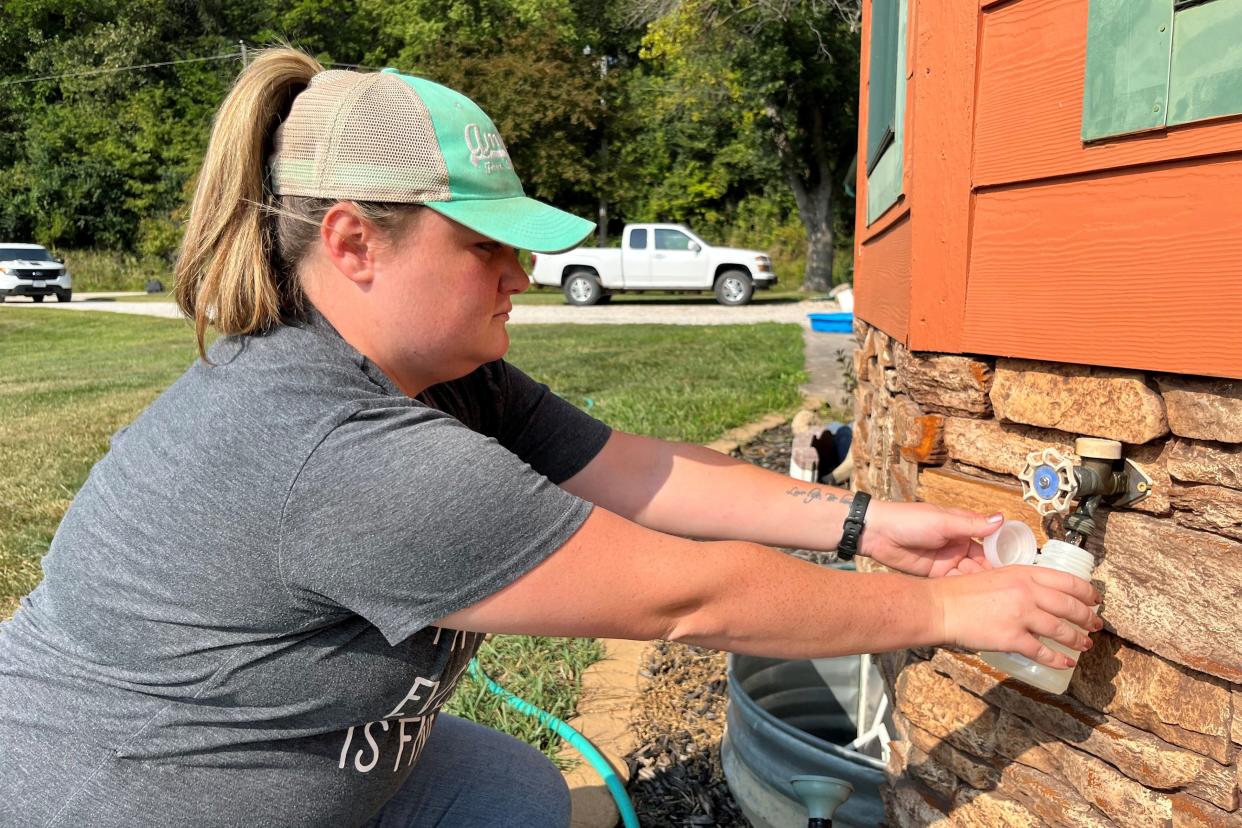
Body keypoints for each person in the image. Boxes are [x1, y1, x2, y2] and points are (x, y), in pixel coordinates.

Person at [0, 48, 1102, 828]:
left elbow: (645, 474)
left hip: (298, 765)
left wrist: (870, 524)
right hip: (114, 793)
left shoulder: (449, 382)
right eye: (488, 244)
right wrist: (949, 609)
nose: (520, 273)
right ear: (353, 243)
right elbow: (687, 598)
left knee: (514, 797)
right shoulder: (336, 452)